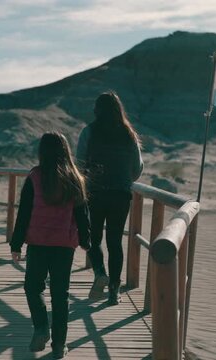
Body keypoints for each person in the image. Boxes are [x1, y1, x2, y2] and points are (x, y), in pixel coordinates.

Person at [10, 132, 91, 359]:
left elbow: (24, 213)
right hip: (64, 245)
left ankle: (41, 327)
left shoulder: (34, 177)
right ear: (66, 151)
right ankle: (59, 346)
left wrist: (16, 244)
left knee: (32, 287)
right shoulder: (75, 178)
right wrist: (86, 241)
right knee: (60, 295)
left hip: (38, 243)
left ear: (42, 152)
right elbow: (83, 214)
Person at [76, 91, 143, 305]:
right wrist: (124, 180)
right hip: (121, 195)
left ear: (97, 109)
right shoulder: (128, 133)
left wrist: (85, 182)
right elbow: (137, 167)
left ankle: (100, 273)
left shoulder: (90, 131)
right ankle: (114, 289)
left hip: (95, 193)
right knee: (115, 241)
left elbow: (79, 162)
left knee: (93, 239)